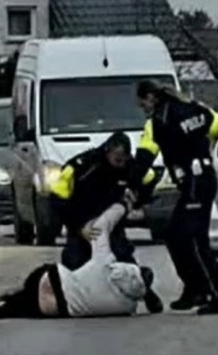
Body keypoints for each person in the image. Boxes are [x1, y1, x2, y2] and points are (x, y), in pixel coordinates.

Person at [127, 80, 218, 315]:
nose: (142, 107)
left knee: (192, 240)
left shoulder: (158, 122)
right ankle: (195, 288)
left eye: (142, 102)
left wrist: (130, 186)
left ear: (151, 98)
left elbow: (144, 158)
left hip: (194, 183)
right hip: (204, 180)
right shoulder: (196, 109)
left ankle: (217, 296)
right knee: (178, 236)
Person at [48, 131, 164, 313]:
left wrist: (136, 198)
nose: (121, 163)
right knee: (74, 264)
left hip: (111, 224)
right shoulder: (83, 166)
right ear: (108, 151)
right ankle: (69, 302)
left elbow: (149, 179)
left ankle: (146, 292)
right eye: (118, 159)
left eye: (125, 159)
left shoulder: (131, 167)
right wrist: (79, 227)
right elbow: (57, 200)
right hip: (81, 220)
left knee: (124, 262)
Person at [0, 203, 153, 319]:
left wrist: (122, 205)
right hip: (62, 308)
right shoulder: (128, 307)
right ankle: (4, 309)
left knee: (39, 282)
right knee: (32, 307)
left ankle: (6, 299)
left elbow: (101, 226)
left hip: (54, 281)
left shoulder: (106, 265)